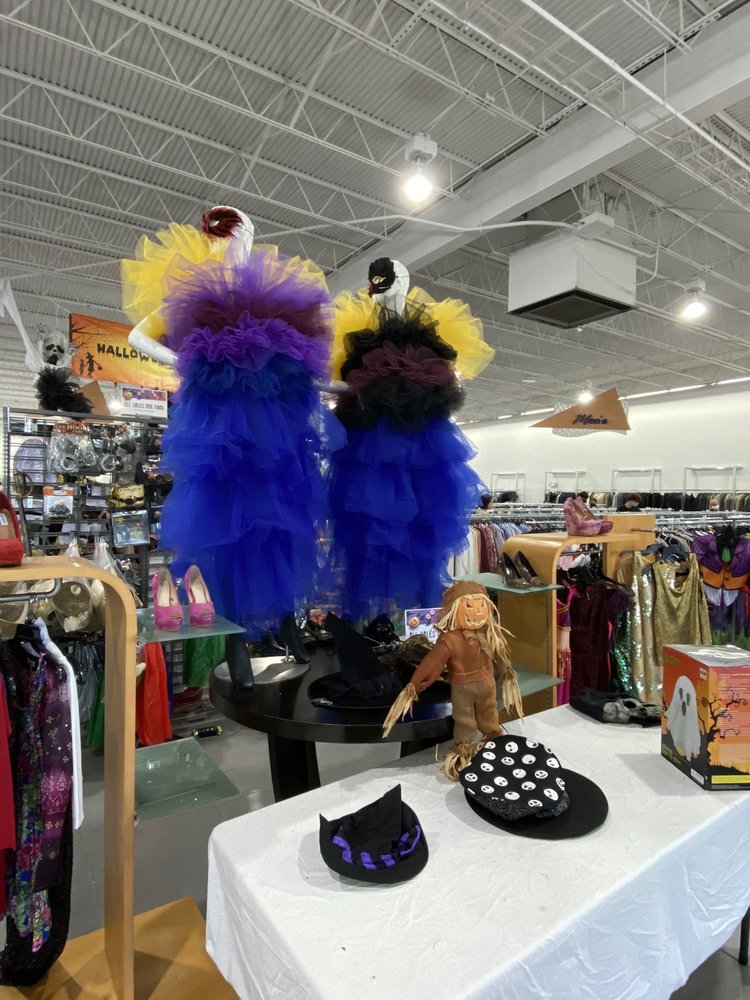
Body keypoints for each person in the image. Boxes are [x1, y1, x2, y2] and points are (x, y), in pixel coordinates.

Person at [121, 206, 334, 648]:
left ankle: (284, 624)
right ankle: (236, 640)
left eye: (238, 235)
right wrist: (189, 359)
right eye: (224, 235)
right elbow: (136, 337)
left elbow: (303, 365)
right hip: (218, 427)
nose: (232, 244)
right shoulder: (195, 292)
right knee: (224, 526)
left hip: (275, 431)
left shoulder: (279, 301)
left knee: (276, 523)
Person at [328, 256, 494, 618]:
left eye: (387, 282)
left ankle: (424, 628)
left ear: (403, 282)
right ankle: (366, 626)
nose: (380, 292)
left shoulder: (428, 345)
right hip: (371, 449)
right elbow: (345, 387)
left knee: (422, 536)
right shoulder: (360, 343)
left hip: (421, 449)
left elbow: (444, 390)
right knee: (368, 536)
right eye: (377, 284)